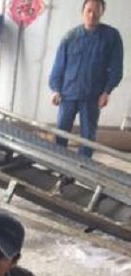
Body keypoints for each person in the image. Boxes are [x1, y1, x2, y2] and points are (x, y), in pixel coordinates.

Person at [49, 0, 123, 158]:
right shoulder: (70, 37)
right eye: (88, 10)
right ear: (82, 11)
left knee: (88, 138)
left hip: (92, 96)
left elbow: (116, 67)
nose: (92, 15)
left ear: (102, 12)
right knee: (61, 133)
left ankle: (82, 168)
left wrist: (106, 91)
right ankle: (57, 165)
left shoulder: (111, 37)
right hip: (68, 94)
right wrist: (55, 89)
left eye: (96, 11)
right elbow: (59, 65)